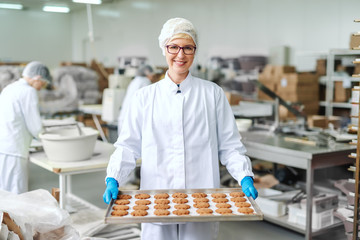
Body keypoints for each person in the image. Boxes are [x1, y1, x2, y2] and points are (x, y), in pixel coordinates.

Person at [103, 17, 258, 240]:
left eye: (188, 48)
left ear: (195, 51)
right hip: (156, 198)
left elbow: (230, 146)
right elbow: (128, 146)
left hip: (202, 198)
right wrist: (114, 177)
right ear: (164, 49)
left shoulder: (212, 94)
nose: (180, 54)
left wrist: (244, 175)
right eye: (173, 47)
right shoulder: (145, 97)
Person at [0, 61, 51, 194]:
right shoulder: (29, 91)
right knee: (17, 195)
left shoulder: (9, 88)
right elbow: (34, 125)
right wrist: (47, 137)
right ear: (37, 78)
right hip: (14, 150)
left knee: (4, 193)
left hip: (3, 146)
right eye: (43, 83)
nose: (42, 87)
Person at [117, 65, 154, 134]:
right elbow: (148, 101)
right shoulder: (145, 82)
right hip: (132, 120)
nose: (152, 77)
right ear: (147, 73)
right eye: (152, 74)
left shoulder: (134, 81)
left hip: (124, 117)